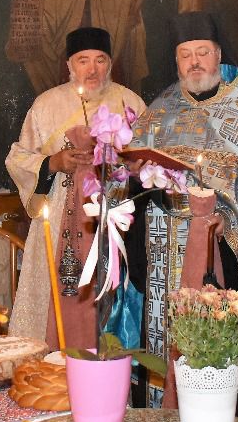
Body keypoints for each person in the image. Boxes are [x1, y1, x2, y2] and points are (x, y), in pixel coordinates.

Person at [127, 13, 238, 406]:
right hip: (161, 248)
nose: (194, 62)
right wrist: (135, 174)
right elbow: (130, 182)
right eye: (185, 54)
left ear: (219, 55)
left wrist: (226, 215)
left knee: (213, 347)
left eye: (202, 53)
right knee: (160, 336)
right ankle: (162, 421)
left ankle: (216, 418)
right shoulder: (159, 110)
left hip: (217, 247)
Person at [8, 27, 145, 346]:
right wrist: (54, 162)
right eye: (83, 61)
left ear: (110, 63)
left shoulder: (130, 102)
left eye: (100, 60)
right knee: (58, 296)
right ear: (70, 64)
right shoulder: (47, 104)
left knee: (111, 299)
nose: (92, 69)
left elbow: (149, 156)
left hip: (116, 220)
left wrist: (127, 162)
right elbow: (17, 158)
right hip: (58, 220)